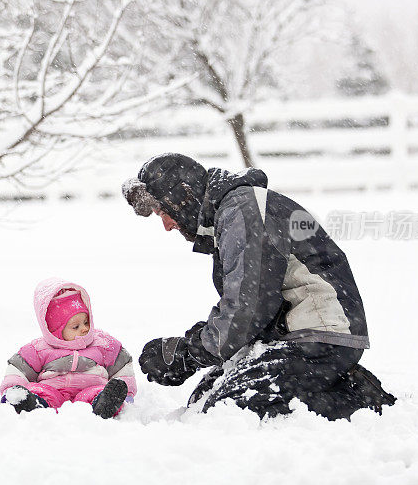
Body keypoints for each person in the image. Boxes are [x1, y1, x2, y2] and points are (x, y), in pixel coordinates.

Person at [122, 153, 395, 420]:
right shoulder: (234, 212)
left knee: (231, 409)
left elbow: (249, 306)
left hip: (318, 334)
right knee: (204, 398)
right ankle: (332, 382)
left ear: (184, 196)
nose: (167, 226)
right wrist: (192, 345)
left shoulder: (242, 210)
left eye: (163, 213)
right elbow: (248, 303)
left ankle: (357, 399)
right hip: (288, 337)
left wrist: (189, 354)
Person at [0, 277, 137, 419]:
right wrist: (11, 388)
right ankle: (31, 402)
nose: (84, 329)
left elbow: (122, 366)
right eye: (75, 326)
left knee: (97, 392)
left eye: (86, 322)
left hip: (89, 388)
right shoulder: (39, 348)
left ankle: (105, 402)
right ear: (54, 331)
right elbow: (17, 369)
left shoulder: (102, 343)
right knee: (39, 390)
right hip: (53, 389)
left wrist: (126, 392)